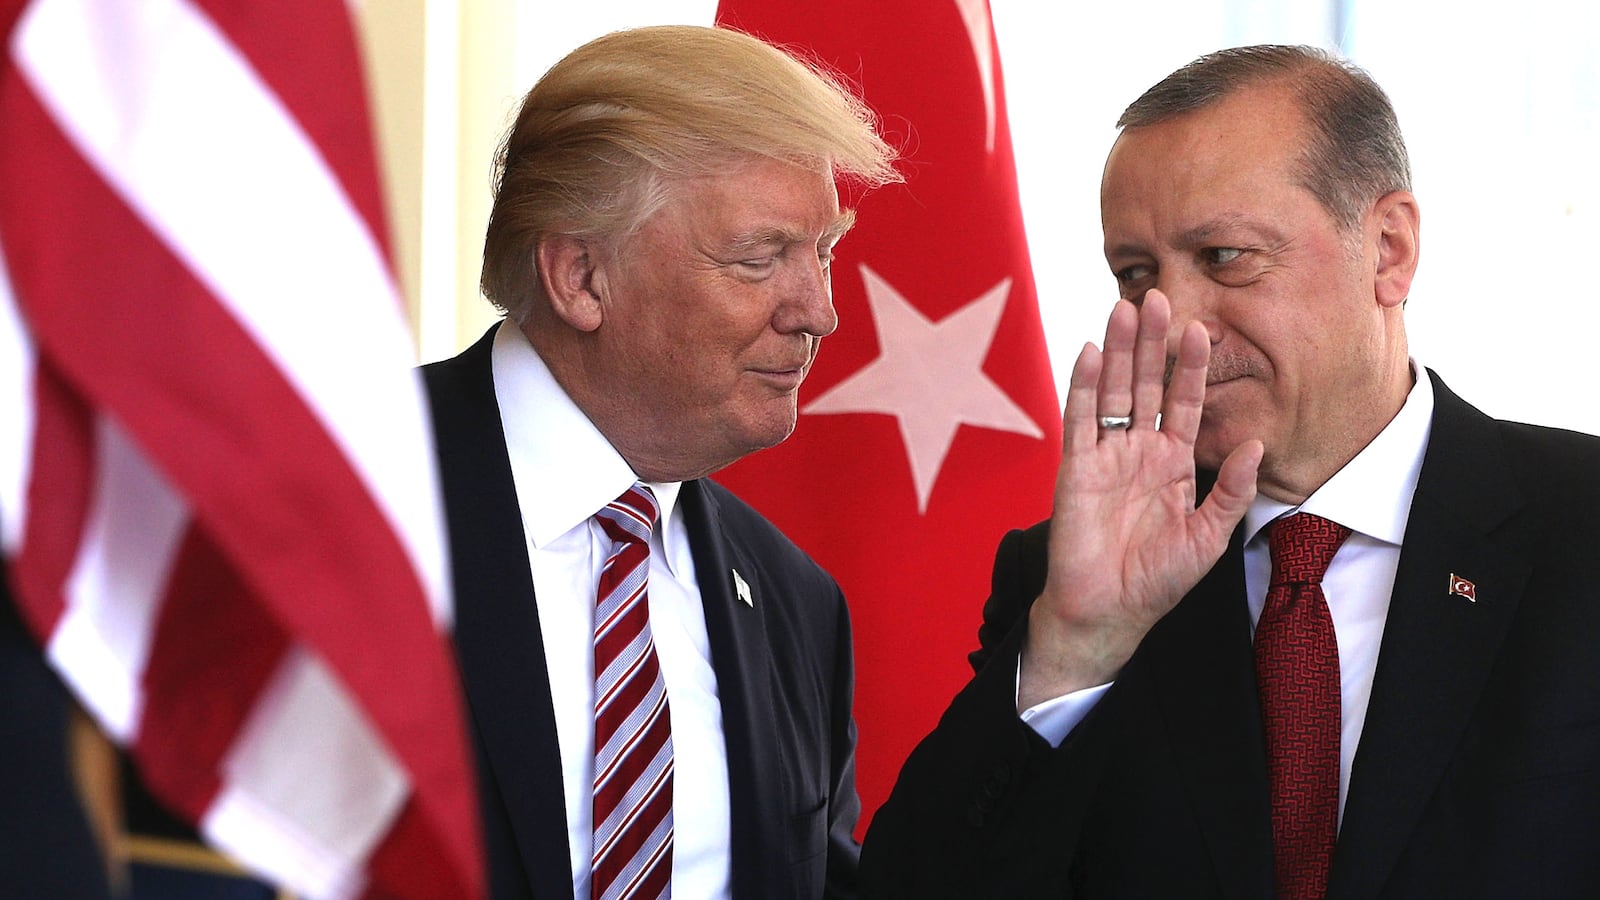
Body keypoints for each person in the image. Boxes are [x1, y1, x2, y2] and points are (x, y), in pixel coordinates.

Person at [859, 44, 1600, 898]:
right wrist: (1075, 649)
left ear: (1389, 250)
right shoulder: (1070, 583)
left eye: (1223, 256)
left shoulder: (1580, 526)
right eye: (1137, 274)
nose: (1176, 324)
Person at [422, 25, 898, 900]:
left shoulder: (796, 603)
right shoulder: (348, 490)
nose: (820, 312)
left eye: (824, 252)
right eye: (760, 259)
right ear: (580, 277)